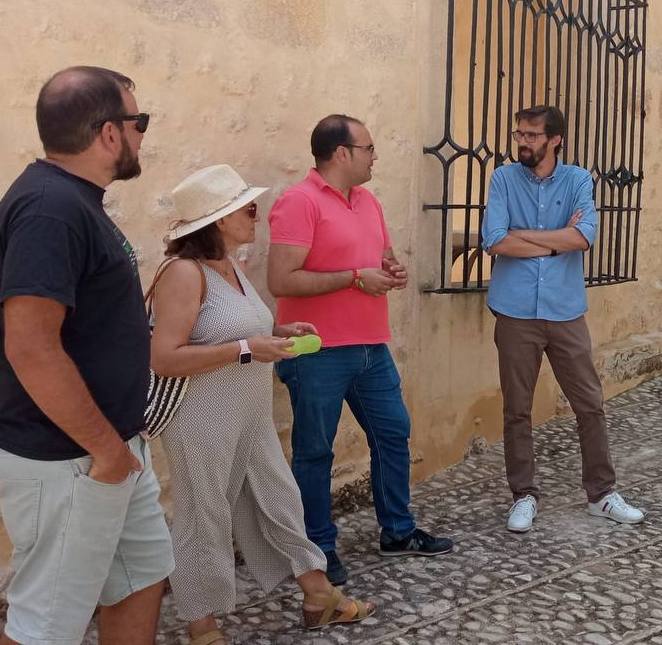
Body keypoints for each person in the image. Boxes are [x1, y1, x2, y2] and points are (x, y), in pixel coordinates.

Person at [150, 164, 375, 645]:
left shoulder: (231, 266)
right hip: (201, 419)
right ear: (216, 220)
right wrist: (249, 348)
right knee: (204, 515)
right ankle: (201, 624)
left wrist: (280, 334)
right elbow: (165, 358)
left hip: (249, 415)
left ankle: (317, 593)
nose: (257, 213)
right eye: (245, 207)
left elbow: (237, 331)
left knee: (280, 500)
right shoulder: (185, 274)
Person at [0, 66, 173, 645]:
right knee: (46, 626)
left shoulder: (74, 202)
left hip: (111, 448)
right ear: (107, 133)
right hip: (71, 458)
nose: (142, 134)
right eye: (138, 121)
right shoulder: (50, 209)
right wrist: (106, 451)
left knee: (141, 578)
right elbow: (29, 344)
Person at [267, 114, 453, 587]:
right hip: (318, 351)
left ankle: (398, 531)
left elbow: (378, 260)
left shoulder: (367, 201)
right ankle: (318, 549)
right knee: (315, 451)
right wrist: (354, 279)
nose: (375, 156)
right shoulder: (298, 202)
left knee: (393, 433)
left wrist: (390, 272)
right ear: (341, 153)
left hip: (372, 345)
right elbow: (281, 280)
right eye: (368, 148)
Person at [481, 105, 645, 533]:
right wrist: (557, 243)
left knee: (590, 403)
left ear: (556, 140)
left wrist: (529, 236)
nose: (523, 142)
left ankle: (602, 494)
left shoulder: (577, 180)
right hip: (515, 311)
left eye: (533, 135)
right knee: (517, 408)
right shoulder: (503, 178)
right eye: (520, 133)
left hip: (565, 310)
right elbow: (495, 240)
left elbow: (583, 236)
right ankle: (523, 495)